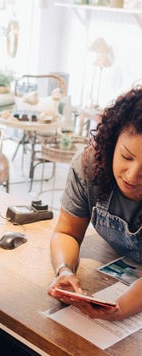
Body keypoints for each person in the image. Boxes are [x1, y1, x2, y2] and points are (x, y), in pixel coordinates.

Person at [48, 87, 142, 321]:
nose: (131, 176)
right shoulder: (90, 166)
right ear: (113, 141)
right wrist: (65, 270)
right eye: (126, 157)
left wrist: (121, 309)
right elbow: (67, 232)